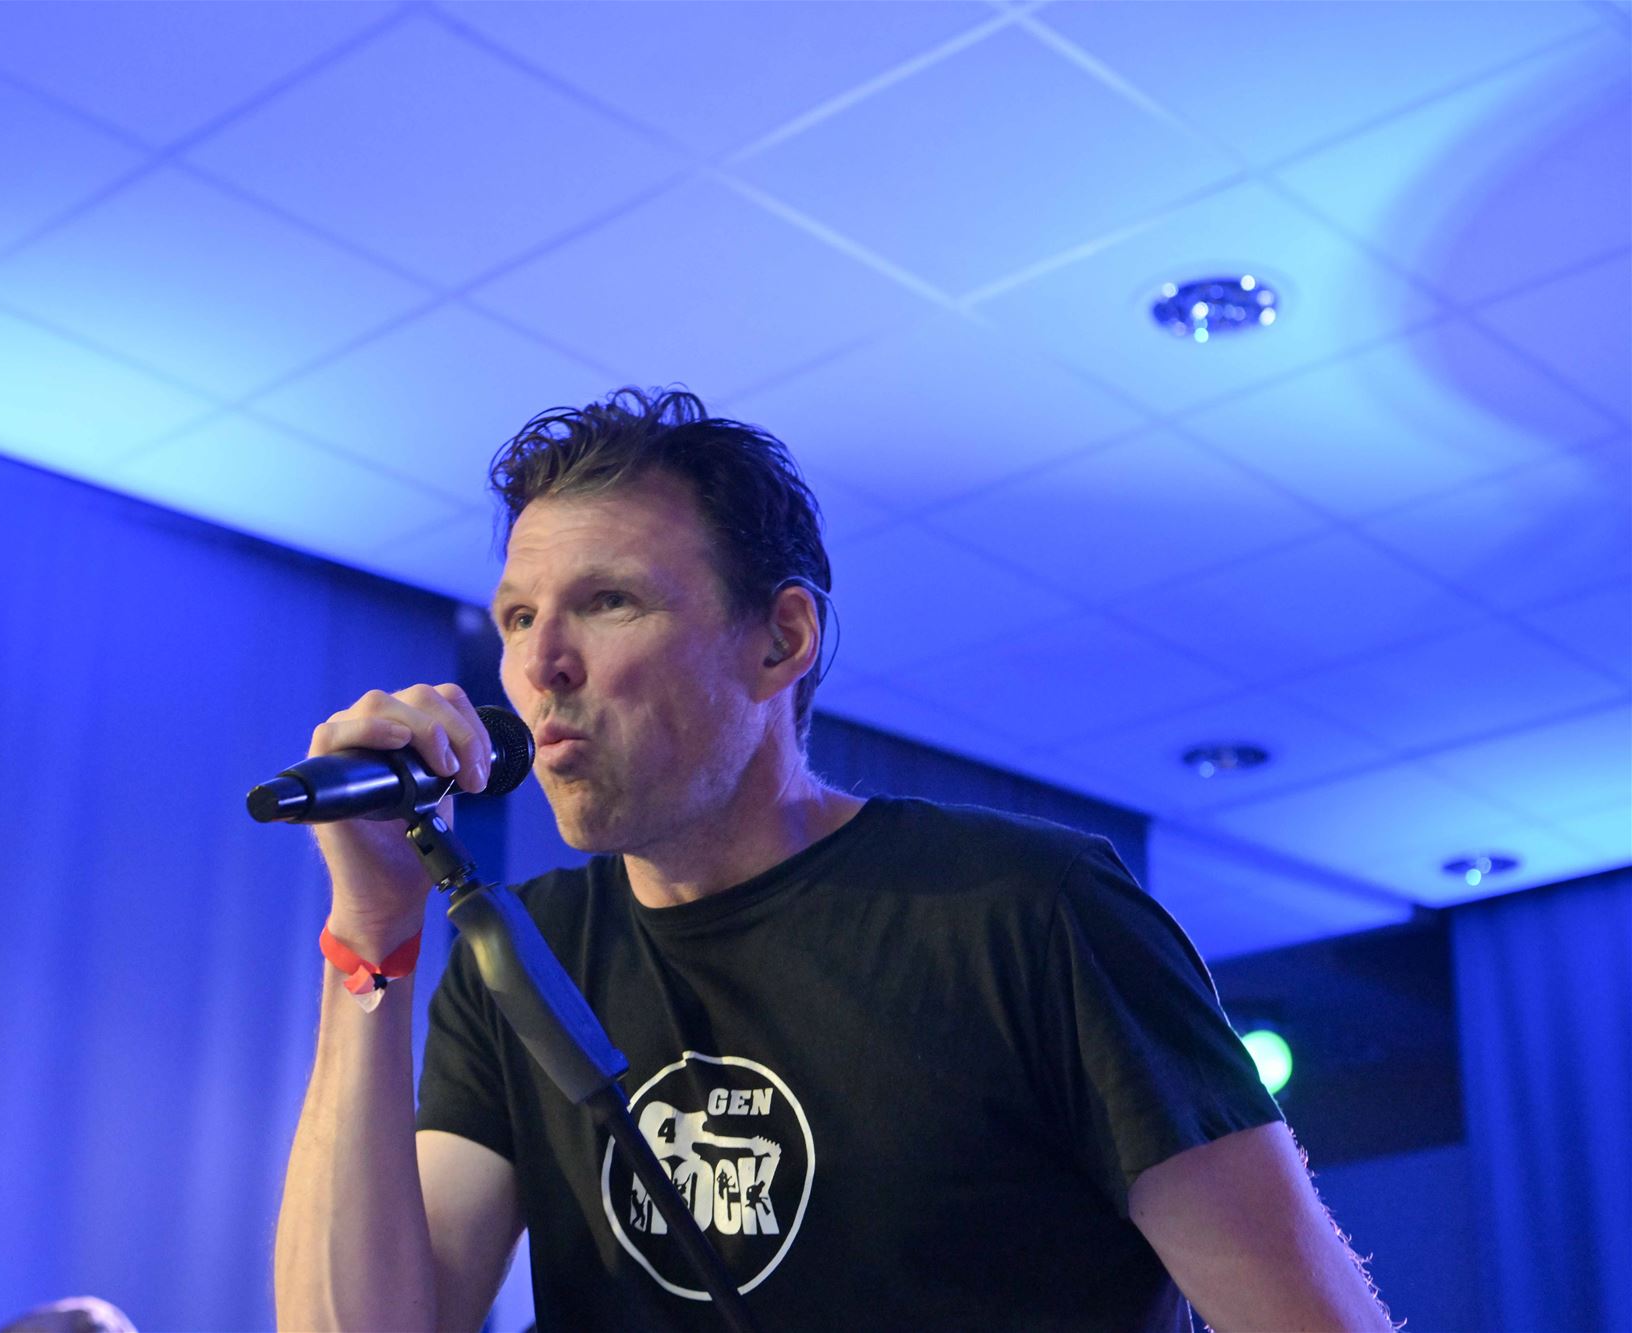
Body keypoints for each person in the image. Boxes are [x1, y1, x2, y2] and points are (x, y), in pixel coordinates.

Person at [274, 388, 1393, 1332]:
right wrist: (370, 931)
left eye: (606, 602)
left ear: (780, 641)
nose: (540, 665)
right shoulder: (520, 957)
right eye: (518, 618)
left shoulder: (1028, 910)